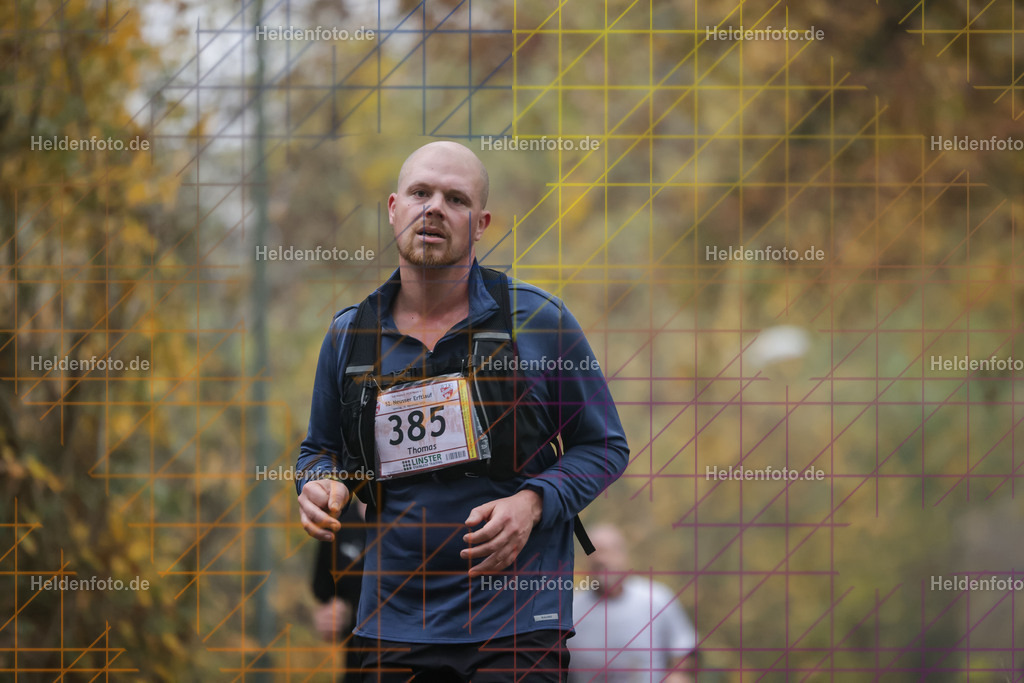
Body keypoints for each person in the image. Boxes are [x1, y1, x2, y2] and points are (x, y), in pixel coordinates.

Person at [295, 140, 630, 681]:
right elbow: (319, 451)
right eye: (420, 193)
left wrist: (535, 502)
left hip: (517, 622)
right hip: (393, 623)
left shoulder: (539, 321)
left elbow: (606, 446)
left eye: (456, 199)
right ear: (393, 208)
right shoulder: (348, 337)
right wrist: (316, 484)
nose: (434, 208)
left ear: (481, 223)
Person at [569, 524, 697, 683]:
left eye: (610, 551)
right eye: (594, 553)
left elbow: (683, 649)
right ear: (586, 562)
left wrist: (678, 675)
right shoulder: (570, 608)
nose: (602, 558)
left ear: (625, 556)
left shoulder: (656, 599)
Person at [310, 502, 366, 680]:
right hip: (358, 664)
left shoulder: (418, 518)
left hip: (416, 659)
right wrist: (329, 616)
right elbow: (326, 598)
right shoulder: (338, 522)